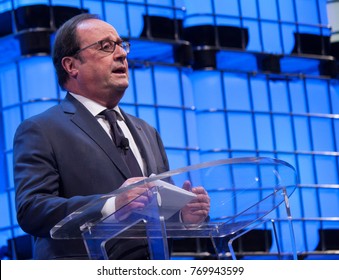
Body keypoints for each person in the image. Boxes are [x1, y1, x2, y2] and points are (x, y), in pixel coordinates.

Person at [13, 13, 210, 260]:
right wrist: (111, 205)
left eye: (121, 45)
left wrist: (183, 216)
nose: (121, 54)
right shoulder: (41, 129)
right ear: (71, 65)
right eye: (106, 47)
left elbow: (152, 210)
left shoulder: (147, 131)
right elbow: (33, 210)